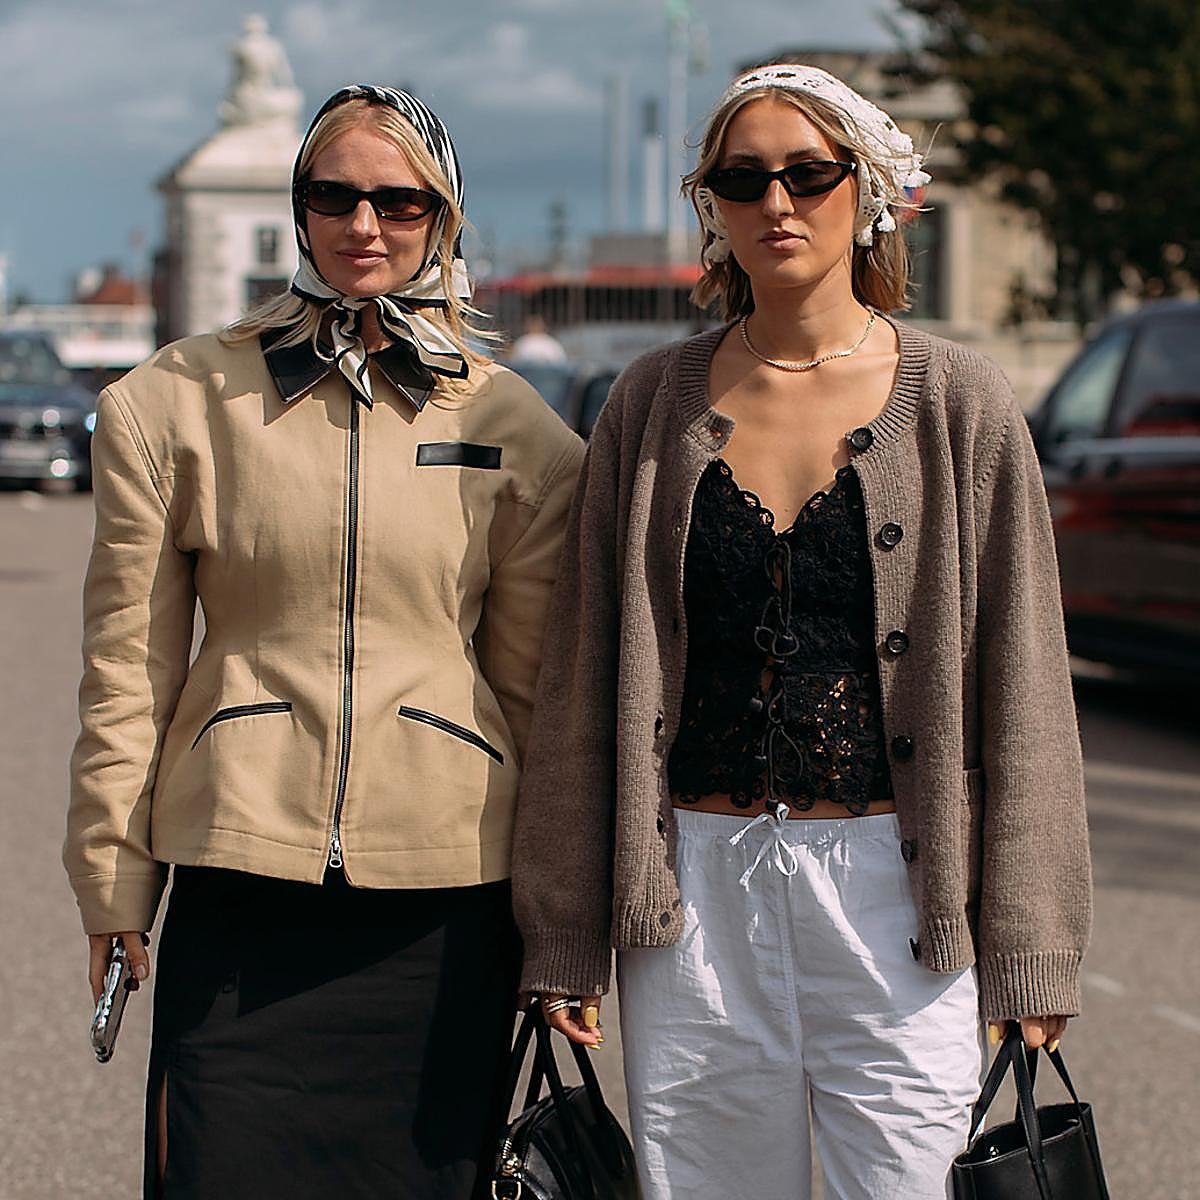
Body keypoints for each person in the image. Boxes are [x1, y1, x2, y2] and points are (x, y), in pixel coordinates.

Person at [511, 63, 1091, 1200]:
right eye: (743, 178)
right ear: (712, 207)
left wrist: (1032, 935)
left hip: (895, 897)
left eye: (808, 174)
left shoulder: (958, 403)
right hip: (689, 904)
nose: (776, 203)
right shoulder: (647, 403)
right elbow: (586, 683)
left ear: (865, 189)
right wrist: (564, 933)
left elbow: (1024, 684)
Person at [64, 84, 583, 1199]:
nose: (365, 224)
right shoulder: (170, 407)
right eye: (334, 196)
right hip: (238, 876)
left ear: (442, 214)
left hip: (444, 903)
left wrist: (557, 929)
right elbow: (127, 670)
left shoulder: (517, 433)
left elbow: (536, 702)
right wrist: (113, 881)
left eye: (398, 200)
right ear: (299, 209)